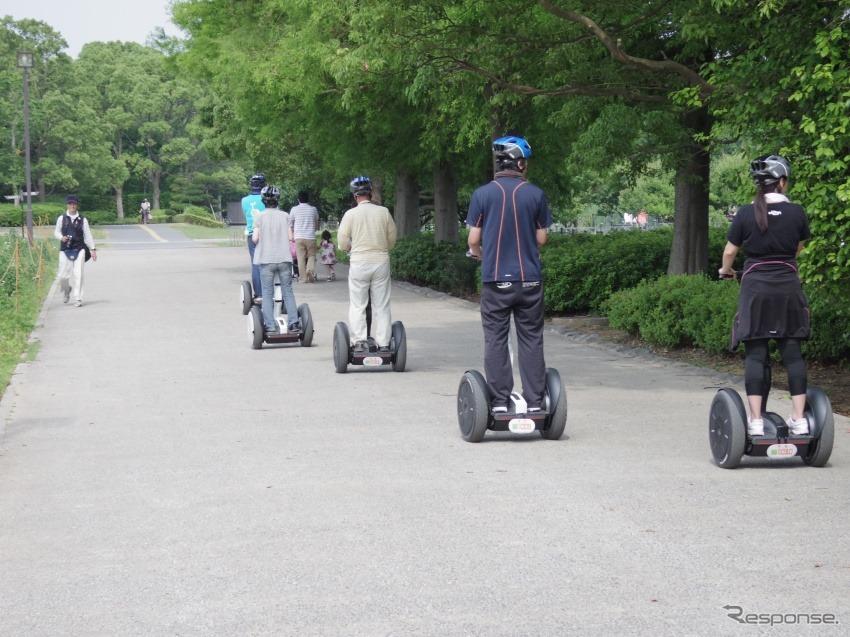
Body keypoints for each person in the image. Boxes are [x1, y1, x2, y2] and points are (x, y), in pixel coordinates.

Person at [719, 155, 811, 436]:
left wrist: (726, 271)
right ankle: (799, 418)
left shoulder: (746, 214)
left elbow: (730, 252)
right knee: (793, 355)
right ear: (782, 182)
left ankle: (756, 421)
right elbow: (798, 250)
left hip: (756, 289)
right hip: (787, 288)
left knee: (756, 355)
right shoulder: (797, 212)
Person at [467, 136, 552, 414]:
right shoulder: (535, 194)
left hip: (495, 279)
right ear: (519, 162)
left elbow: (473, 239)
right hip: (529, 279)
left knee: (495, 338)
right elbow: (541, 238)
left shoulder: (482, 194)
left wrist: (479, 252)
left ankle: (500, 402)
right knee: (531, 338)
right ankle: (536, 402)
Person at [337, 176, 397, 353]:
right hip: (380, 262)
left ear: (355, 195)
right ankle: (384, 343)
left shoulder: (350, 214)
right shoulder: (384, 212)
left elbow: (342, 241)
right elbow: (392, 240)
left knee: (358, 304)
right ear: (370, 193)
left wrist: (348, 247)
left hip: (359, 262)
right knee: (382, 305)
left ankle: (359, 341)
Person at [252, 186, 300, 334]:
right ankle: (293, 323)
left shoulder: (259, 216)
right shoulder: (285, 216)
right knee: (288, 291)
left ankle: (270, 326)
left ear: (263, 201)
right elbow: (291, 237)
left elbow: (255, 238)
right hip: (284, 258)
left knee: (267, 292)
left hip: (266, 259)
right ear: (277, 200)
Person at [54, 195, 97, 307]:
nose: (72, 205)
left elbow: (87, 235)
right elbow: (56, 232)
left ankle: (78, 298)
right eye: (70, 204)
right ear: (67, 205)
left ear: (77, 205)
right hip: (65, 249)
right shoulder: (61, 218)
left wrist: (92, 248)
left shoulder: (83, 219)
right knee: (63, 275)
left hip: (79, 248)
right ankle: (67, 289)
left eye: (74, 204)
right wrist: (61, 237)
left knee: (79, 274)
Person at [242, 174, 267, 302]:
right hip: (268, 233)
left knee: (255, 263)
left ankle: (259, 293)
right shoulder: (267, 199)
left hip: (252, 234)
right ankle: (271, 291)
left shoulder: (244, 200)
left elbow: (247, 215)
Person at [289, 190, 319, 283]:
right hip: (310, 237)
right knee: (312, 255)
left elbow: (290, 223)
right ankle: (309, 270)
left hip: (299, 237)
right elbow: (316, 223)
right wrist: (314, 229)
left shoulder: (294, 209)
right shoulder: (313, 209)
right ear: (308, 199)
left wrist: (293, 233)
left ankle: (303, 278)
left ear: (298, 200)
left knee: (300, 258)